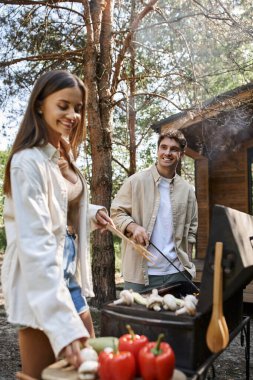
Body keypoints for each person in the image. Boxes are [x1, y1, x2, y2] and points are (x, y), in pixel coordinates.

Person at [1, 70, 113, 378]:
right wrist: (63, 330)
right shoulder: (27, 162)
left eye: (77, 108)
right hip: (41, 275)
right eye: (63, 105)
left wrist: (91, 215)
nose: (73, 115)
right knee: (42, 375)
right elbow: (35, 243)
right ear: (40, 104)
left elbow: (60, 206)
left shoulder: (64, 151)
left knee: (85, 370)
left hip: (69, 271)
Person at [111, 129, 198, 292]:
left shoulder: (187, 190)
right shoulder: (135, 181)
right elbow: (116, 213)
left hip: (178, 273)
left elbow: (192, 229)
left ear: (181, 154)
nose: (167, 152)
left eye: (173, 149)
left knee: (178, 318)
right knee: (137, 318)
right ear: (157, 151)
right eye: (163, 147)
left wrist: (188, 260)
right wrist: (133, 227)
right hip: (140, 275)